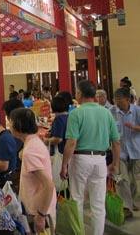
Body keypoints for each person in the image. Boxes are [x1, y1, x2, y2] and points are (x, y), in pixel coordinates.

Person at [60, 80, 120, 235]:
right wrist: (115, 163)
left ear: (79, 94)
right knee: (98, 203)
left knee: (77, 199)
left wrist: (64, 165)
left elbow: (71, 142)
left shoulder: (76, 113)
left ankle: (79, 232)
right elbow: (116, 141)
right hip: (101, 159)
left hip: (81, 159)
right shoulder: (106, 112)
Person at [10, 108, 56, 233]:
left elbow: (48, 185)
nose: (9, 126)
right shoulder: (32, 142)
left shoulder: (30, 150)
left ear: (18, 125)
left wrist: (40, 215)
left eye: (11, 122)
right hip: (39, 207)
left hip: (39, 209)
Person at [110, 87, 140, 217]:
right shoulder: (112, 112)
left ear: (128, 99)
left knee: (134, 179)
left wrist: (135, 127)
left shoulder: (137, 111)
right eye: (116, 100)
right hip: (120, 152)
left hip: (136, 149)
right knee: (122, 180)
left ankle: (133, 201)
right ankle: (126, 207)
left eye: (120, 101)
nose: (117, 103)